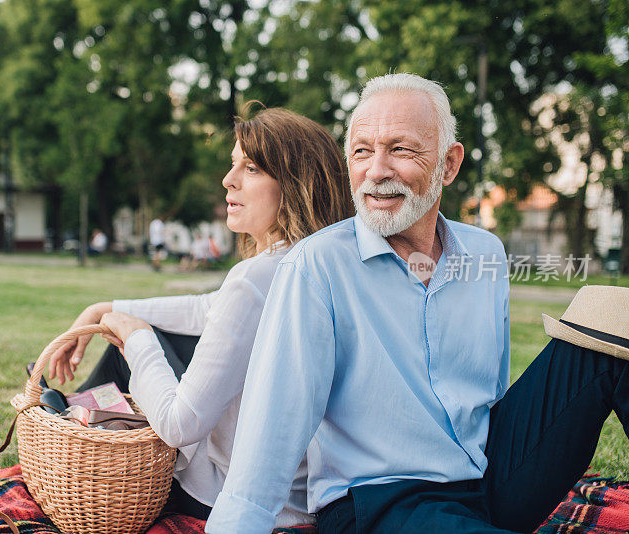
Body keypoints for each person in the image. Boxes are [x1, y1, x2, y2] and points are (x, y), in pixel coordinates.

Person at [206, 73, 629, 534]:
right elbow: (272, 429)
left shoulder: (484, 253)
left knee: (607, 328)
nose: (376, 170)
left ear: (449, 165)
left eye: (401, 150)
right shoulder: (317, 266)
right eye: (362, 151)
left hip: (486, 477)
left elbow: (495, 394)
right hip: (381, 501)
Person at [47, 107, 354, 525]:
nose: (229, 181)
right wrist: (108, 310)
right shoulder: (318, 265)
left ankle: (70, 434)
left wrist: (137, 337)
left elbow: (180, 424)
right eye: (233, 165)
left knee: (133, 352)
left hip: (228, 493)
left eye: (251, 168)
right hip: (303, 495)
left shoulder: (255, 278)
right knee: (156, 338)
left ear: (297, 186)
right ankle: (73, 417)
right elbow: (208, 308)